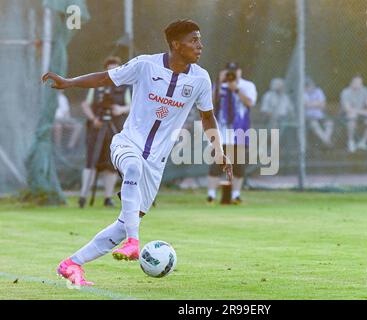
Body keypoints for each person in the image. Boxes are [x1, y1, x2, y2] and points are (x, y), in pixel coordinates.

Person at [42, 19, 233, 286]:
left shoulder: (201, 78)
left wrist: (219, 150)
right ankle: (134, 241)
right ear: (176, 45)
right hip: (127, 143)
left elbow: (208, 117)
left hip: (157, 162)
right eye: (194, 40)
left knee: (123, 224)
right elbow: (105, 78)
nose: (200, 45)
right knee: (133, 167)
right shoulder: (146, 64)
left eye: (200, 40)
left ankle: (71, 264)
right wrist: (69, 82)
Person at [78, 56, 132, 209]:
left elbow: (131, 105)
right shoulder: (96, 85)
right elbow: (85, 104)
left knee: (111, 164)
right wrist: (93, 118)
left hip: (115, 129)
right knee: (91, 161)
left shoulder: (125, 87)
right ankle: (83, 196)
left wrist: (120, 109)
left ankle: (108, 197)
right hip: (97, 127)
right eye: (109, 69)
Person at [206, 62, 257, 204]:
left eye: (234, 71)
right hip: (221, 131)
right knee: (216, 163)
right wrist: (219, 83)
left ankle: (236, 195)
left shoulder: (247, 86)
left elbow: (250, 103)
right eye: (229, 71)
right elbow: (208, 102)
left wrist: (236, 89)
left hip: (240, 131)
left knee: (239, 164)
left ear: (239, 72)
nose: (231, 74)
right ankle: (211, 195)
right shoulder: (218, 86)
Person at [340, 75, 367, 152]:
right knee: (352, 116)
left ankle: (362, 142)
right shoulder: (345, 92)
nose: (358, 84)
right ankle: (350, 141)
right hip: (345, 116)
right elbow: (348, 109)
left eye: (360, 83)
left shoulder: (365, 90)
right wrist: (365, 112)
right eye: (356, 82)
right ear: (351, 83)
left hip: (360, 115)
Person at [304, 78, 333, 147]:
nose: (311, 87)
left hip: (320, 115)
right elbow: (306, 105)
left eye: (311, 85)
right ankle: (326, 141)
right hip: (309, 116)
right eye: (308, 86)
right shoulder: (303, 93)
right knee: (314, 124)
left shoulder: (318, 91)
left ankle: (325, 140)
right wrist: (317, 103)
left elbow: (323, 105)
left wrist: (311, 104)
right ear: (305, 87)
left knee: (330, 123)